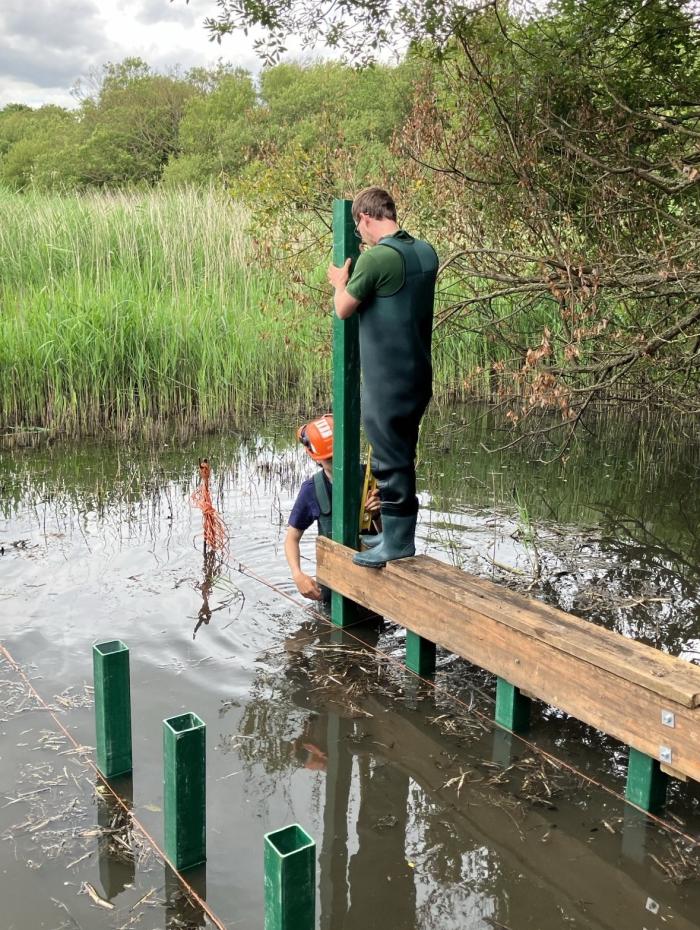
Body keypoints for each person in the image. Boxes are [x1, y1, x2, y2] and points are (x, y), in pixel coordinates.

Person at [327, 187, 439, 568]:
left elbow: (344, 309)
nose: (361, 237)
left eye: (360, 229)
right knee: (402, 454)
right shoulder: (425, 252)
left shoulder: (377, 259)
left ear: (365, 218)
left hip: (387, 381)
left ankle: (397, 543)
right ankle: (395, 534)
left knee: (389, 461)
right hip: (418, 374)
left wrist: (340, 280)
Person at [284, 414, 380, 601]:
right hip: (333, 584)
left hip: (372, 583)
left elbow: (387, 536)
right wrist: (298, 575)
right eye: (329, 459)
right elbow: (291, 538)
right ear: (316, 459)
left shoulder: (370, 479)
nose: (337, 464)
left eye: (339, 456)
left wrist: (377, 516)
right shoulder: (312, 490)